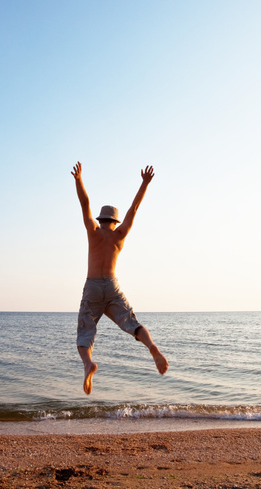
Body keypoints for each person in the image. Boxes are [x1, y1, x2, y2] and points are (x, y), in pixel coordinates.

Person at [71, 161, 169, 395]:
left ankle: (88, 364)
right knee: (132, 323)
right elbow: (133, 209)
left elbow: (85, 204)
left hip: (93, 286)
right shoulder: (120, 235)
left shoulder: (93, 232)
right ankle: (151, 346)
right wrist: (144, 183)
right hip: (112, 285)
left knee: (85, 330)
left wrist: (79, 180)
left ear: (101, 219)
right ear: (114, 222)